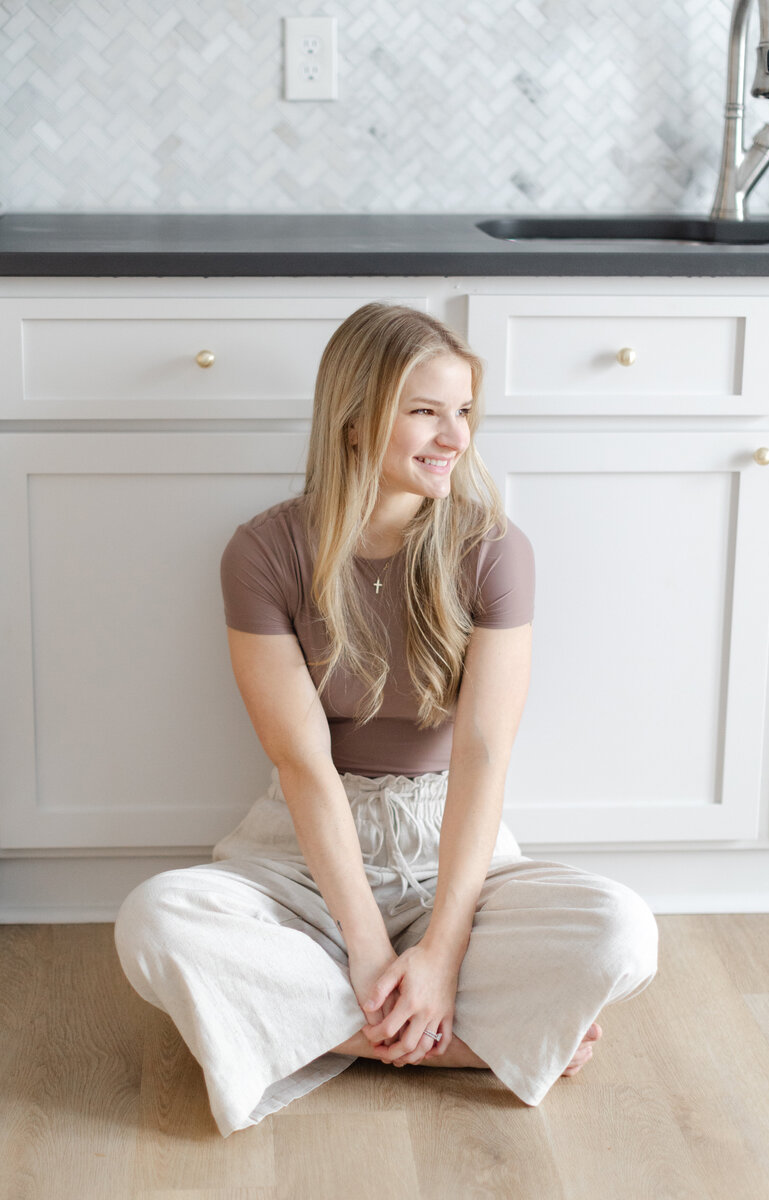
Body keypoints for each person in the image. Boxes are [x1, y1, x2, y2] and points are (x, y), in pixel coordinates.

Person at [114, 302, 658, 1138]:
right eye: (426, 411)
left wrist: (440, 951)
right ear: (357, 418)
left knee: (624, 932)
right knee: (154, 921)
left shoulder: (492, 549)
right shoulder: (264, 552)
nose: (455, 437)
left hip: (451, 842)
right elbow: (302, 764)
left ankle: (315, 1026)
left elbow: (481, 753)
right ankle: (462, 1044)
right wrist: (372, 954)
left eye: (465, 412)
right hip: (302, 855)